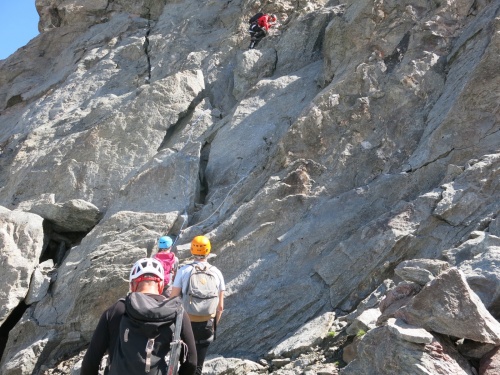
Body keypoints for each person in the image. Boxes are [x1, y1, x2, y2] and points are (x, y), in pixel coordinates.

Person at [81, 258, 197, 375]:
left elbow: (90, 362)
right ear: (161, 285)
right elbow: (191, 361)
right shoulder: (176, 312)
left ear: (132, 285)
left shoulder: (116, 310)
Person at [170, 236, 225, 375]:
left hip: (185, 323)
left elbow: (172, 299)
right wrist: (213, 326)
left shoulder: (184, 270)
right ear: (209, 250)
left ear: (191, 250)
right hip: (207, 323)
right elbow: (220, 307)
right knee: (197, 366)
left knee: (181, 361)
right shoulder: (217, 272)